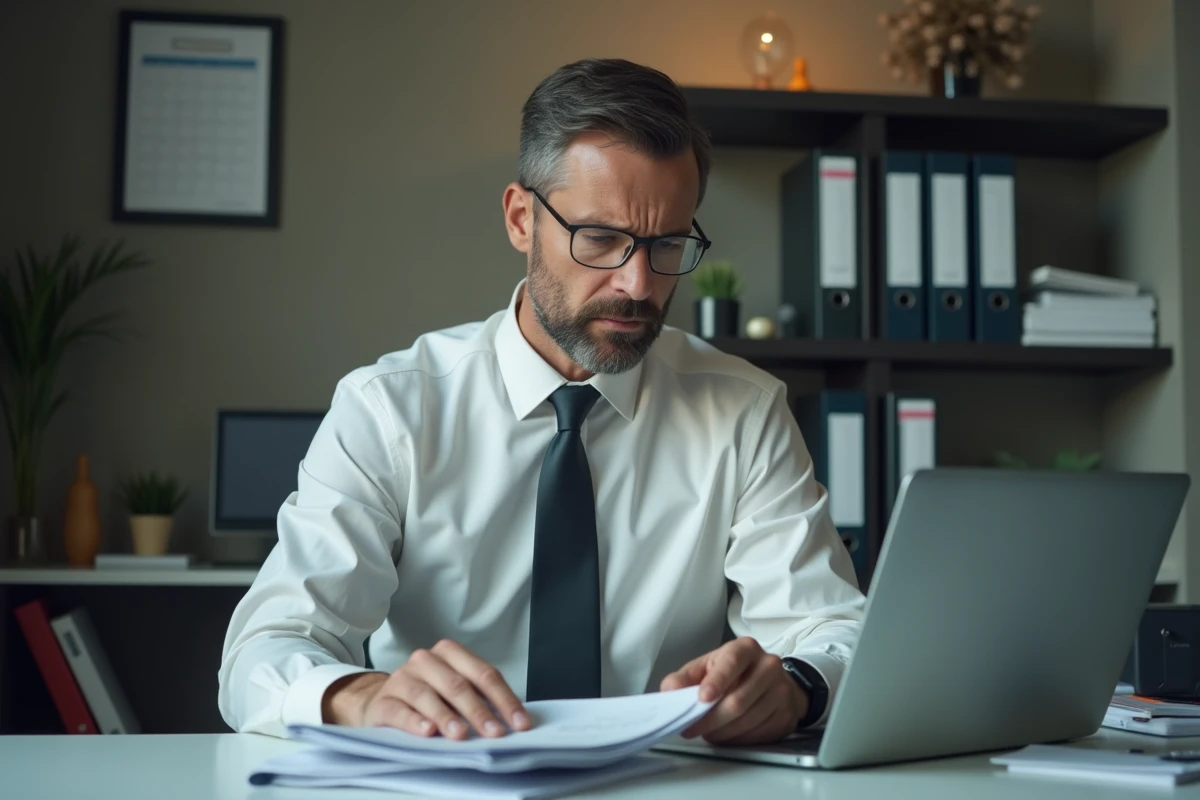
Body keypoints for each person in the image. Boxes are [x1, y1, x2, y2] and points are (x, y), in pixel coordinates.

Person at [218, 57, 865, 746]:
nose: (639, 284)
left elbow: (834, 630)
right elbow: (262, 653)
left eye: (668, 243)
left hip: (665, 785)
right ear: (522, 219)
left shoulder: (744, 411)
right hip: (447, 785)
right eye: (602, 239)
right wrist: (360, 695)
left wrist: (797, 684)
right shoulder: (390, 410)